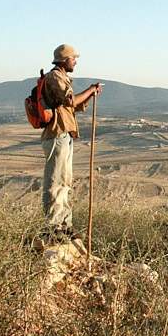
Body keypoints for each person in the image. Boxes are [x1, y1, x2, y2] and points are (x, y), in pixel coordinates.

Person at [40, 43, 102, 241]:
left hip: (64, 133)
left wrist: (90, 94)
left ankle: (64, 224)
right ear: (65, 59)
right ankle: (53, 226)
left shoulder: (62, 77)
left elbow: (72, 106)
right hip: (56, 133)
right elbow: (71, 102)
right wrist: (90, 89)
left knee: (65, 181)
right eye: (74, 58)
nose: (75, 61)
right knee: (56, 180)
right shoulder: (55, 77)